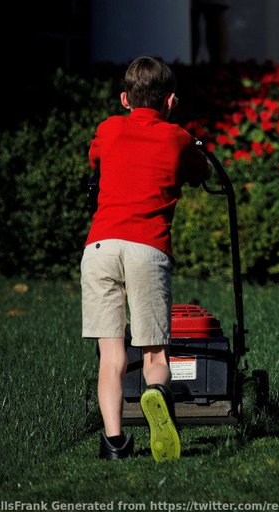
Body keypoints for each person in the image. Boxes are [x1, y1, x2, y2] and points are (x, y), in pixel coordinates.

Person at [81, 56, 210, 460]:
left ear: (124, 98)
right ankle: (155, 392)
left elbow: (95, 160)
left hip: (99, 247)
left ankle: (114, 442)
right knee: (155, 351)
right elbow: (200, 172)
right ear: (171, 101)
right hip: (146, 248)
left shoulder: (108, 128)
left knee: (112, 353)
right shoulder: (177, 137)